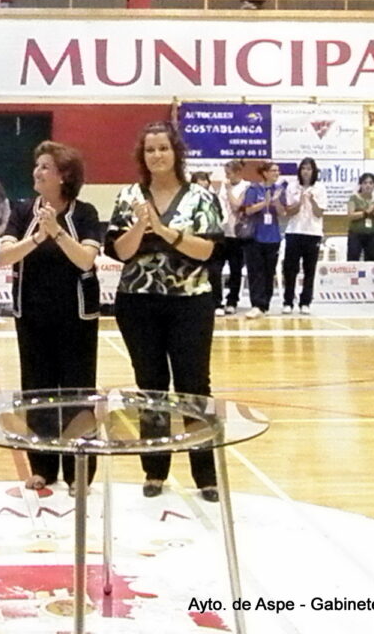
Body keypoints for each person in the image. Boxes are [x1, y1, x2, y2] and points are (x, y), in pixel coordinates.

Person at [105, 121, 222, 502]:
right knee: (150, 386)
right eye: (150, 149)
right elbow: (121, 252)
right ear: (143, 155)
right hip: (138, 302)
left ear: (176, 153)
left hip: (191, 302)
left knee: (193, 386)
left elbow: (206, 250)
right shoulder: (128, 197)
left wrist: (166, 231)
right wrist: (142, 224)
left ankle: (205, 473)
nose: (157, 155)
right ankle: (154, 469)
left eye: (163, 148)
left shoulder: (201, 197)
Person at [0, 141, 102, 495]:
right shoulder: (22, 210)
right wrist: (37, 235)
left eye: (45, 167)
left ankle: (79, 471)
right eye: (37, 165)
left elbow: (85, 260)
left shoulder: (85, 213)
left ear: (65, 176)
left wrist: (56, 231)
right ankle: (43, 466)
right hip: (32, 315)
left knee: (77, 393)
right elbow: (4, 255)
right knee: (37, 392)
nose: (36, 172)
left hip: (77, 318)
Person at [281, 158, 327, 315]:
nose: (306, 171)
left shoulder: (320, 188)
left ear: (314, 171)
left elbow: (319, 213)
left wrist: (312, 201)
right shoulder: (292, 187)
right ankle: (288, 301)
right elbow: (288, 211)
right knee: (290, 269)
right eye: (303, 168)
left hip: (312, 233)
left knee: (309, 269)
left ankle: (305, 302)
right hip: (294, 231)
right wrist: (300, 201)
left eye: (309, 169)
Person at [242, 161, 286, 318]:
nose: (276, 173)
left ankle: (265, 304)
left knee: (269, 272)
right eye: (273, 170)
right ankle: (256, 304)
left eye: (278, 171)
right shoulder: (254, 189)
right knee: (256, 271)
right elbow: (248, 210)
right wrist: (264, 203)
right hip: (255, 236)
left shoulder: (279, 190)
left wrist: (277, 203)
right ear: (265, 173)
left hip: (273, 236)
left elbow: (282, 213)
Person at [190, 171, 225, 316]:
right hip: (193, 240)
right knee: (193, 271)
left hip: (212, 240)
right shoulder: (188, 199)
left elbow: (221, 216)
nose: (202, 183)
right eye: (199, 181)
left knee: (214, 272)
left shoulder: (213, 198)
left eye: (204, 180)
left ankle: (217, 303)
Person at [218, 159, 249, 315]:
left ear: (238, 173)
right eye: (225, 174)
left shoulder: (246, 187)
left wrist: (229, 189)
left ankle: (232, 301)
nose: (227, 177)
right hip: (223, 233)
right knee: (216, 268)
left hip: (237, 234)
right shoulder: (222, 188)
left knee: (235, 269)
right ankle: (217, 301)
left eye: (229, 174)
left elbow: (237, 206)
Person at [347, 173, 374, 261]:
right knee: (353, 259)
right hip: (356, 234)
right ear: (361, 185)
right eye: (365, 183)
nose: (368, 185)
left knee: (371, 260)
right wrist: (366, 212)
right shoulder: (354, 198)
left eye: (371, 183)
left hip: (373, 235)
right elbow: (351, 215)